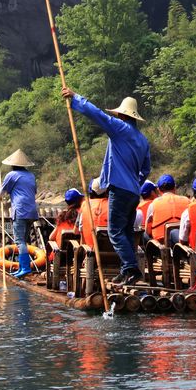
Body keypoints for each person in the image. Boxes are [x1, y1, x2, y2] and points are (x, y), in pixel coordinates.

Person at [61, 87, 151, 284]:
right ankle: (125, 270)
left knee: (115, 231)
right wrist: (136, 184)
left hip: (120, 189)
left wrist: (76, 98)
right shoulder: (143, 140)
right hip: (133, 192)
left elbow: (97, 115)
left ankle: (131, 268)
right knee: (126, 232)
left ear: (121, 115)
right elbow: (146, 169)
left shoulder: (119, 129)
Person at [0, 150, 39, 277]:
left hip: (20, 210)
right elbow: (33, 191)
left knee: (19, 241)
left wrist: (0, 197)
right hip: (31, 210)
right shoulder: (31, 176)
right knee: (25, 239)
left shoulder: (11, 175)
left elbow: (0, 194)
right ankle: (22, 266)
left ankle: (25, 268)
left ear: (12, 165)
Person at [145, 174, 189, 244]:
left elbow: (148, 231)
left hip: (161, 241)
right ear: (174, 188)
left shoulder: (153, 204)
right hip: (183, 240)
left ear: (159, 190)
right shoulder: (187, 200)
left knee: (145, 235)